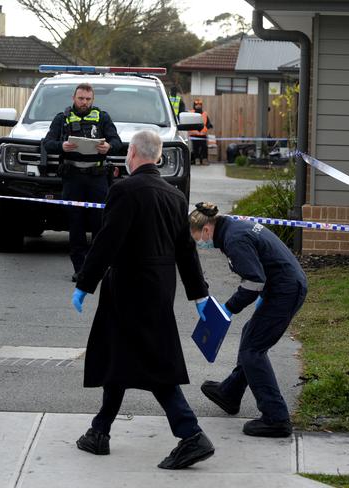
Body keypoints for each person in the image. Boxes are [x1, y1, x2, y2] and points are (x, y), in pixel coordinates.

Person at [70, 130, 215, 470]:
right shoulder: (174, 195)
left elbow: (107, 241)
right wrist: (199, 293)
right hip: (160, 287)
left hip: (129, 287)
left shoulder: (124, 190)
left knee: (151, 362)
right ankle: (100, 430)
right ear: (160, 157)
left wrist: (84, 283)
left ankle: (191, 434)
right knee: (120, 354)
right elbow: (186, 250)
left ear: (132, 153)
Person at [189, 202, 307, 437]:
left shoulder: (234, 239)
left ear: (206, 230)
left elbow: (254, 281)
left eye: (198, 239)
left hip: (285, 291)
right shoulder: (232, 228)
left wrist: (228, 309)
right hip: (282, 287)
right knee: (250, 337)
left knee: (253, 350)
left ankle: (276, 418)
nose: (201, 245)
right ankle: (229, 393)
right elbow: (264, 267)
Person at [43, 83, 122, 281]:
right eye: (81, 98)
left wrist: (109, 147)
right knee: (75, 224)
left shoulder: (102, 118)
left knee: (100, 224)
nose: (84, 102)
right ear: (74, 98)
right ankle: (80, 269)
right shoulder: (62, 119)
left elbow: (118, 143)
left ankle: (98, 268)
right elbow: (47, 143)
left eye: (88, 99)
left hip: (97, 178)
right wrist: (62, 146)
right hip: (73, 178)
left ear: (92, 100)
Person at [189, 99, 212, 165]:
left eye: (200, 105)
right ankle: (197, 160)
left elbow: (208, 124)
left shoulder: (205, 114)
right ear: (194, 105)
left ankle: (204, 159)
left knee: (204, 148)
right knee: (195, 148)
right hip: (194, 135)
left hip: (202, 135)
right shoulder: (191, 113)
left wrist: (207, 128)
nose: (198, 106)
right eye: (197, 105)